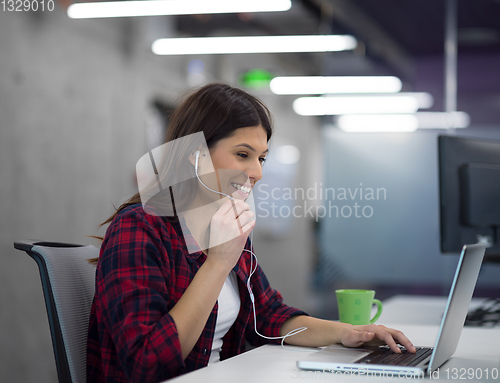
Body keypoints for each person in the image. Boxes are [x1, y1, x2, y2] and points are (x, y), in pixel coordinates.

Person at [86, 83, 415, 383]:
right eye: (243, 155)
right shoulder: (140, 227)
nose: (257, 172)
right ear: (195, 155)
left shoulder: (224, 223)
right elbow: (146, 363)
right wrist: (218, 264)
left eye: (261, 158)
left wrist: (349, 333)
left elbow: (270, 316)